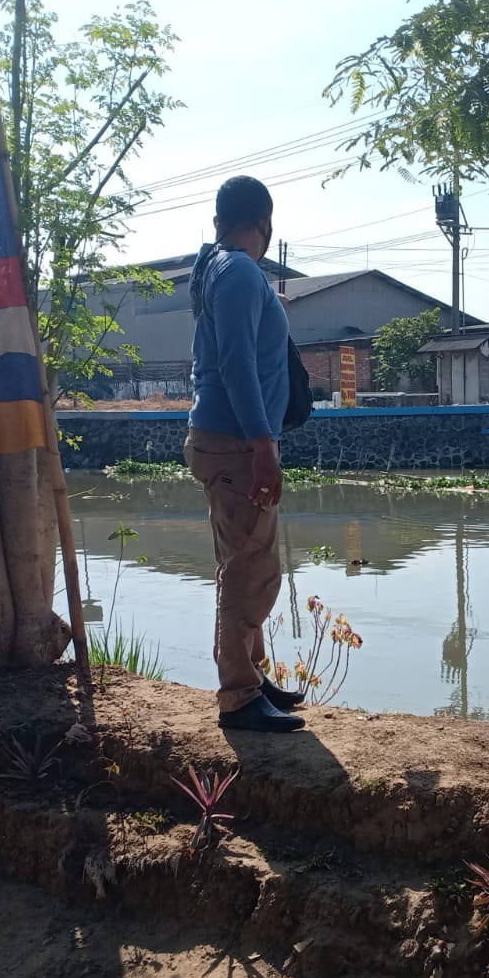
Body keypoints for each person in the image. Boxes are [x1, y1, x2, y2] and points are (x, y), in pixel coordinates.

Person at [185, 175, 306, 733]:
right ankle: (238, 695)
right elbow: (236, 364)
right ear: (266, 221)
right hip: (236, 442)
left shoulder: (217, 269)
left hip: (225, 437)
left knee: (247, 559)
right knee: (250, 569)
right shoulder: (236, 272)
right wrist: (263, 444)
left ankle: (252, 678)